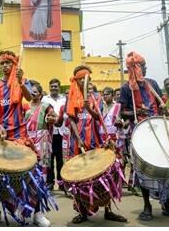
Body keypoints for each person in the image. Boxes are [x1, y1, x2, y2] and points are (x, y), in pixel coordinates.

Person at [0, 51, 52, 226]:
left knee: (32, 175)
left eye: (8, 63)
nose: (5, 66)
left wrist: (22, 81)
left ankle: (38, 214)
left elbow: (30, 97)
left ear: (14, 64)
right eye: (2, 63)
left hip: (19, 135)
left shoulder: (22, 81)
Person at [119, 51, 169, 220]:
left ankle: (167, 205)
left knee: (166, 166)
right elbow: (122, 113)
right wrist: (138, 111)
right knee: (144, 170)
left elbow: (160, 102)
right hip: (140, 133)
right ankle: (147, 206)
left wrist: (162, 107)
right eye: (143, 66)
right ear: (135, 69)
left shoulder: (152, 83)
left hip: (159, 129)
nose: (145, 69)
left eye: (145, 66)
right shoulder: (126, 88)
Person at [63, 66, 125, 223]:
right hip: (78, 143)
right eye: (81, 79)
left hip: (96, 141)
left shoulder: (97, 97)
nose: (85, 82)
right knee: (79, 179)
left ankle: (108, 211)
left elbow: (99, 117)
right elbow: (71, 119)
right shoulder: (71, 97)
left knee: (103, 175)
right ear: (77, 81)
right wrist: (77, 138)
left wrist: (88, 108)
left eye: (87, 79)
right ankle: (82, 212)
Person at [25, 82, 56, 180]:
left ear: (40, 95)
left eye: (35, 92)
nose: (32, 94)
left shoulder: (46, 106)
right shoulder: (25, 106)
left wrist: (52, 119)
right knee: (28, 161)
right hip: (28, 138)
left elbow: (55, 117)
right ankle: (30, 185)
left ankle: (42, 185)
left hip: (42, 137)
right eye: (31, 92)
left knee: (42, 162)